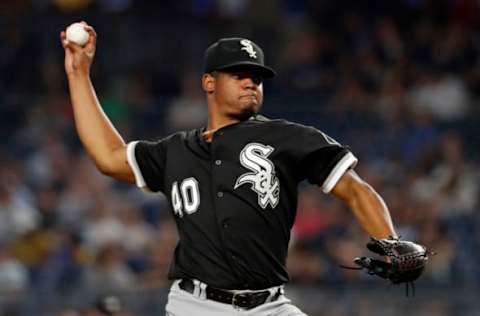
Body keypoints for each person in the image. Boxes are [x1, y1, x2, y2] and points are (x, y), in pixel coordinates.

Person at [61, 22, 399, 316]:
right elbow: (109, 156)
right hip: (195, 306)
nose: (251, 82)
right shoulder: (175, 151)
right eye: (239, 75)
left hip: (270, 305)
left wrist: (390, 242)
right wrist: (79, 74)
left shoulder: (289, 138)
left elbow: (356, 190)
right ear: (209, 82)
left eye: (257, 77)